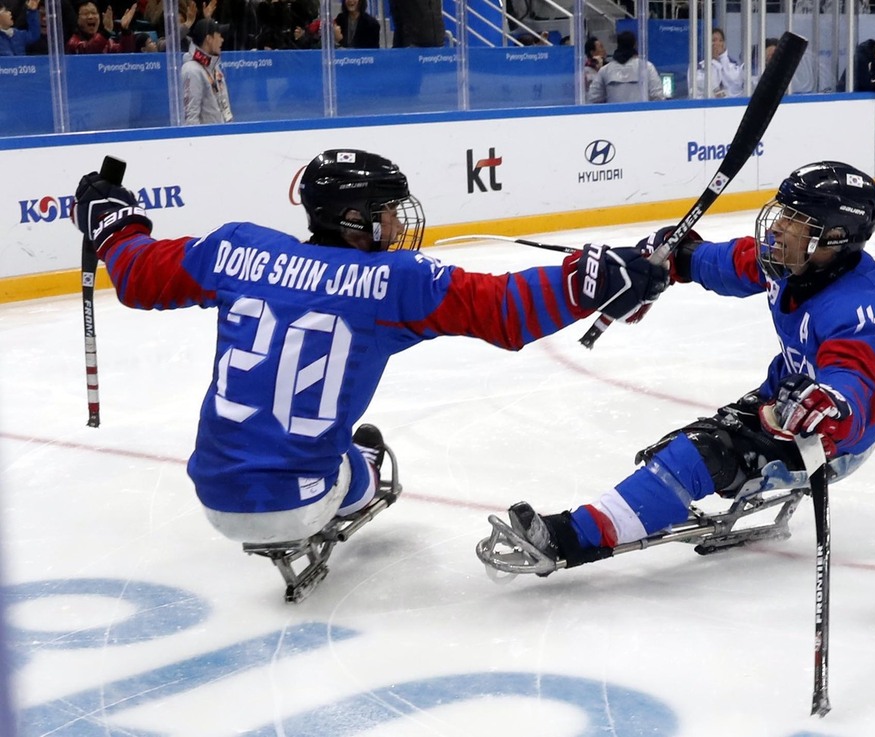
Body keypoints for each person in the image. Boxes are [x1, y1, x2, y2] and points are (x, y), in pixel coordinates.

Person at [70, 148, 667, 599]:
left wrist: (114, 224)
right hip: (302, 499)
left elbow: (140, 275)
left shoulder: (236, 248)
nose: (398, 223)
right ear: (353, 219)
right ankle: (349, 480)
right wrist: (586, 282)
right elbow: (504, 311)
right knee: (368, 463)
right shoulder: (396, 283)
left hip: (210, 491)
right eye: (385, 213)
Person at [484, 161, 875, 576]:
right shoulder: (791, 262)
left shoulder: (862, 309)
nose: (777, 228)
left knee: (698, 455)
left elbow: (855, 382)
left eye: (795, 220)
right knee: (684, 446)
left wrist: (831, 405)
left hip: (835, 438)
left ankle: (570, 537)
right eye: (782, 212)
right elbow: (723, 263)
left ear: (834, 236)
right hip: (782, 396)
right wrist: (673, 258)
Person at [588, 30, 664, 103]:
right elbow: (658, 96)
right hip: (642, 115)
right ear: (635, 45)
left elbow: (593, 98)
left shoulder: (605, 70)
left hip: (614, 115)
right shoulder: (647, 67)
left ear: (618, 45)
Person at [182, 17, 233, 124]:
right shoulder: (192, 70)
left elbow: (225, 108)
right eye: (219, 35)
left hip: (222, 137)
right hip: (206, 139)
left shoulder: (215, 68)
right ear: (209, 39)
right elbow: (190, 118)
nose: (222, 40)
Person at [67, 1, 137, 53]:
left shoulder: (107, 42)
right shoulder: (73, 42)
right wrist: (106, 32)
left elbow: (125, 53)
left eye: (94, 13)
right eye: (85, 13)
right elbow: (89, 50)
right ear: (77, 19)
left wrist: (125, 31)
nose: (90, 17)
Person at [696, 27, 743, 98]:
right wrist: (713, 60)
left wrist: (723, 58)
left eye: (720, 40)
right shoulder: (699, 66)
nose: (717, 44)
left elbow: (735, 84)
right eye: (713, 40)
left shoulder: (733, 64)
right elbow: (707, 86)